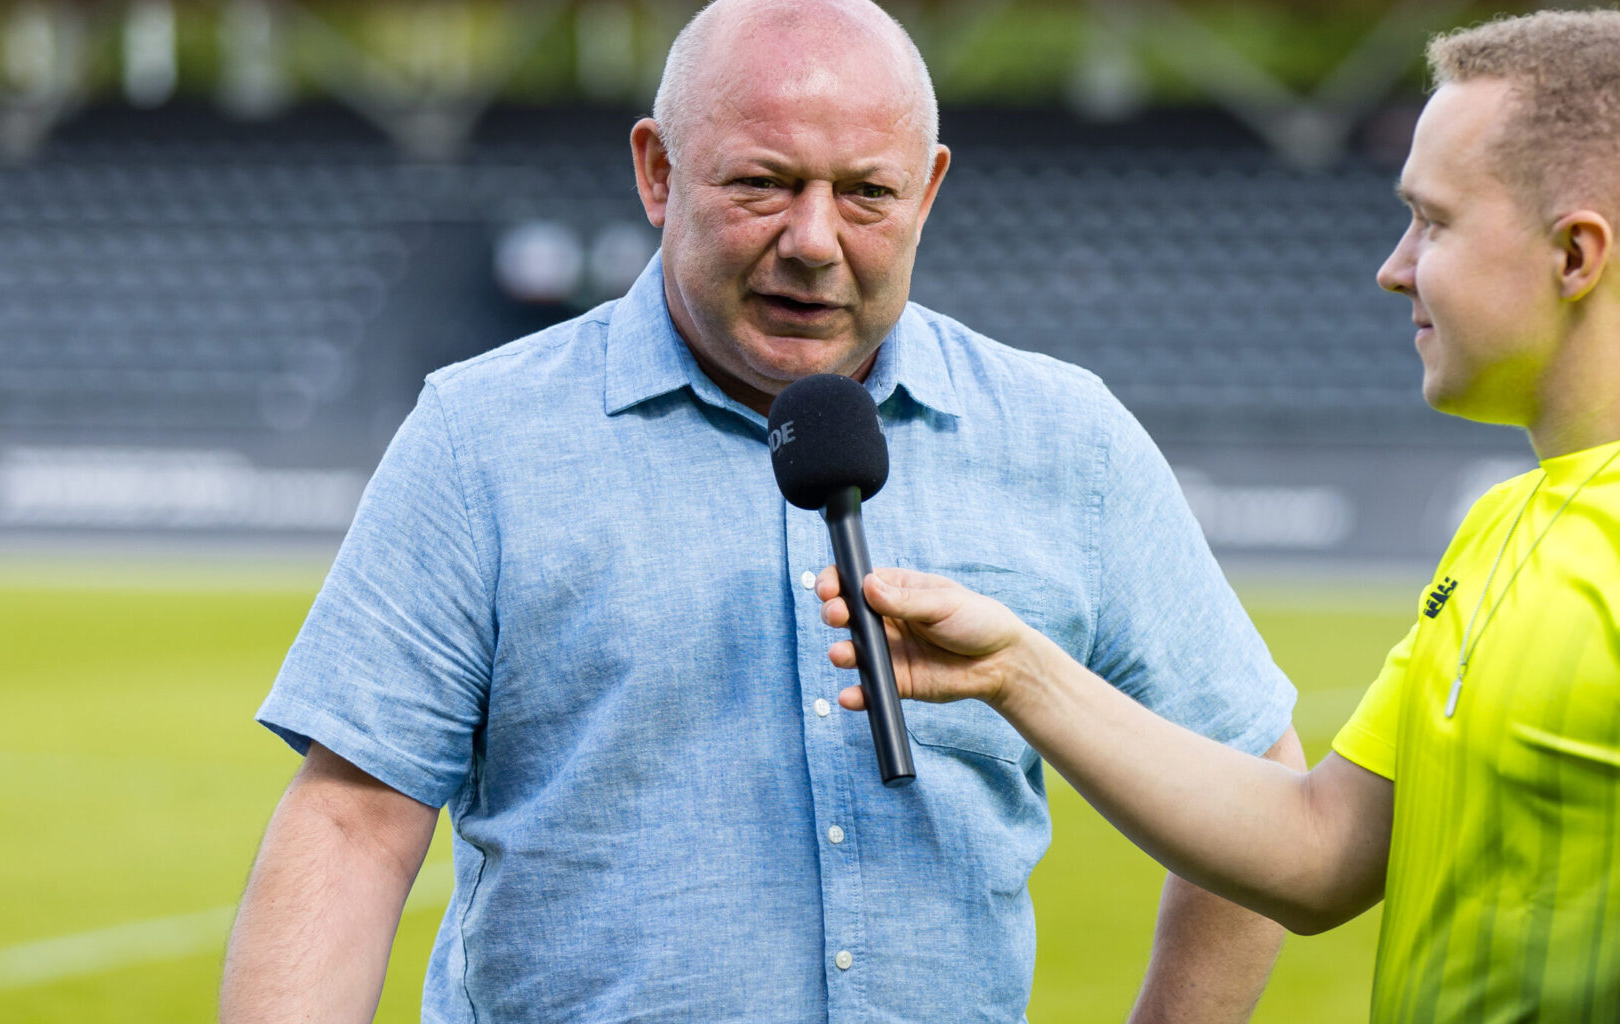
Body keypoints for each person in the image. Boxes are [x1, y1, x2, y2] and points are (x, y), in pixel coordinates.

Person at [816, 10, 1620, 1023]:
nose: (1393, 271)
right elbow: (1319, 848)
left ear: (1576, 255)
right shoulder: (1511, 521)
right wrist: (1020, 670)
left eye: (1431, 222)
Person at [220, 1, 1303, 1021]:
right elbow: (353, 822)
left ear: (928, 190)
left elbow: (1257, 786)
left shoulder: (1068, 440)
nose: (815, 240)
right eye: (765, 184)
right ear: (657, 171)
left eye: (867, 194)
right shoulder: (482, 439)